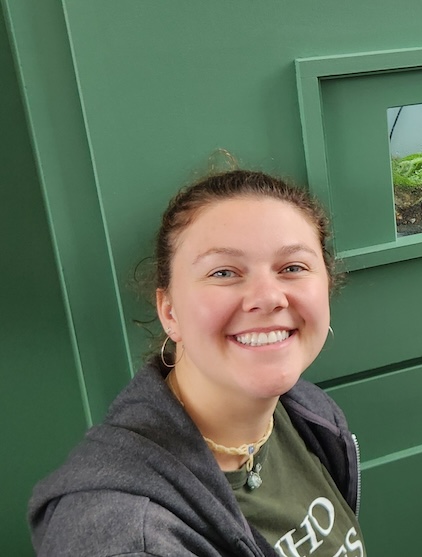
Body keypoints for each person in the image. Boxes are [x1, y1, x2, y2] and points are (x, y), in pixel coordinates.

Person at [29, 169, 365, 556]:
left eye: (292, 268)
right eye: (223, 272)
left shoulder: (309, 416)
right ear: (169, 311)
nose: (268, 297)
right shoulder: (127, 534)